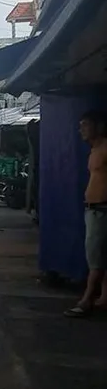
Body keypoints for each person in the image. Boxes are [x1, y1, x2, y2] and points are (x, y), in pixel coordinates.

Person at [66, 110, 107, 318]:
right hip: (94, 209)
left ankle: (86, 300)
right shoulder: (94, 150)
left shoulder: (105, 148)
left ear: (98, 127)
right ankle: (102, 299)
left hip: (101, 210)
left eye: (85, 125)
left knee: (95, 259)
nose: (81, 129)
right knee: (101, 257)